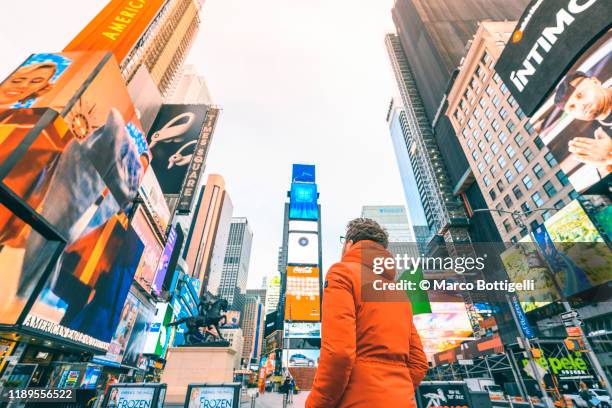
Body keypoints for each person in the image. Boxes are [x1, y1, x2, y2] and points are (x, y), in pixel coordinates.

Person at [306, 218, 428, 408]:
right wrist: (394, 393)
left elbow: (338, 354)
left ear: (349, 244)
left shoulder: (342, 274)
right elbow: (419, 362)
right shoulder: (400, 294)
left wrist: (315, 405)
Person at [554, 71, 612, 173]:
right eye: (572, 107)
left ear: (595, 82)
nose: (581, 106)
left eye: (580, 95)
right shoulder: (595, 142)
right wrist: (608, 160)